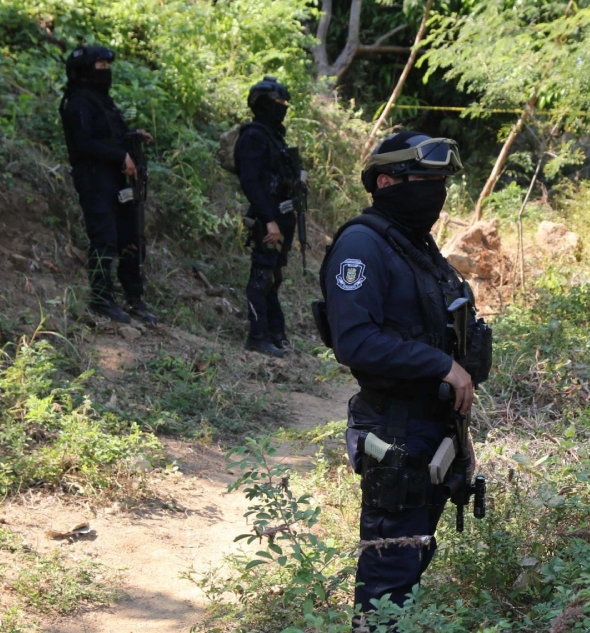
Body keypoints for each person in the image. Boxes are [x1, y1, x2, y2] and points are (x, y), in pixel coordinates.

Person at [315, 132, 489, 621]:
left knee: (411, 564)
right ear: (387, 182)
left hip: (431, 429)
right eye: (423, 180)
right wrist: (441, 366)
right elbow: (355, 342)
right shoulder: (362, 245)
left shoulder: (416, 246)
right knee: (388, 580)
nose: (435, 192)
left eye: (441, 182)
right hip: (395, 432)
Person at [59, 45, 157, 325]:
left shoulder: (102, 101)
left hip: (117, 178)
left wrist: (132, 138)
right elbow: (84, 143)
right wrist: (119, 155)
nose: (106, 71)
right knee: (104, 239)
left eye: (107, 66)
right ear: (85, 71)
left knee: (130, 237)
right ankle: (102, 299)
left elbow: (109, 136)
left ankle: (133, 299)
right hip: (94, 177)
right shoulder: (77, 102)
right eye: (100, 66)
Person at [236, 76, 304, 357]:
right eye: (279, 103)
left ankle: (276, 334)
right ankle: (257, 336)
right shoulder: (253, 136)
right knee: (262, 276)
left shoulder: (273, 135)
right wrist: (269, 220)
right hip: (269, 219)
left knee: (273, 277)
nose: (283, 108)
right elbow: (251, 183)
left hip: (282, 215)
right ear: (264, 104)